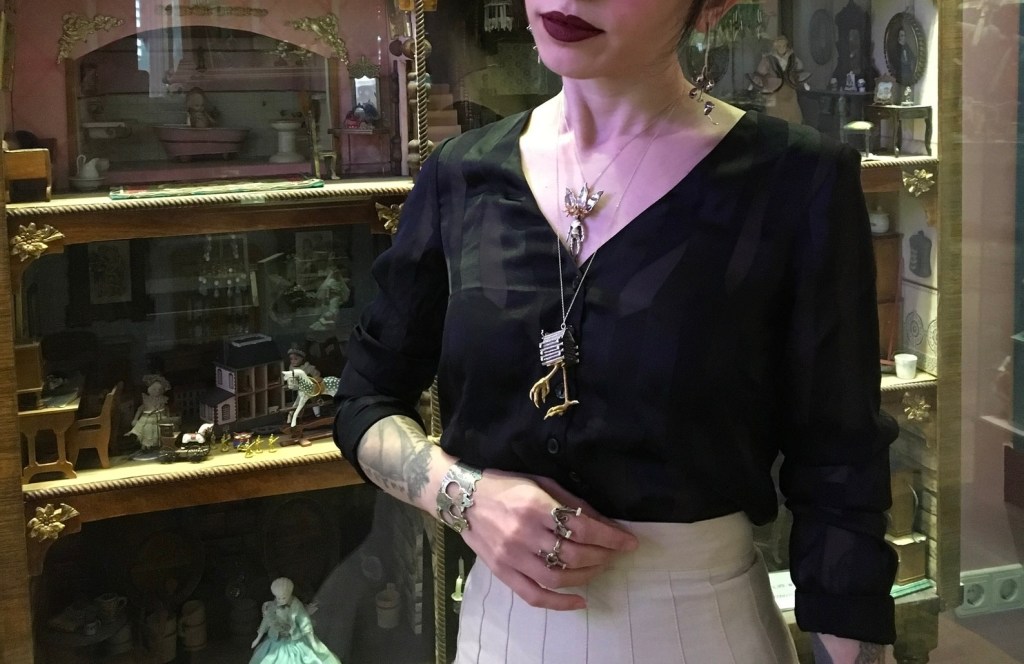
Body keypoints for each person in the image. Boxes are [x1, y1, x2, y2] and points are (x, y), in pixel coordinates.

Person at [333, 1, 898, 662]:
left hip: (701, 632)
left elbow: (839, 471)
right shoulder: (460, 176)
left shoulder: (793, 181)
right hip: (500, 633)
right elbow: (365, 398)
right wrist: (463, 497)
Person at [250, 577, 341, 664]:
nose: (280, 600)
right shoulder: (273, 605)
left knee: (303, 657)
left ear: (289, 594)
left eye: (284, 598)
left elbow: (304, 622)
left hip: (294, 639)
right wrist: (258, 638)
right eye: (278, 598)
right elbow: (266, 621)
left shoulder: (296, 606)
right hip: (276, 639)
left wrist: (312, 641)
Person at [747, 35, 811, 124]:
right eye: (779, 46)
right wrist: (752, 84)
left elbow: (799, 71)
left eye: (783, 46)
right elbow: (760, 72)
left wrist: (805, 84)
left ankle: (792, 127)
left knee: (792, 111)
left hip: (789, 88)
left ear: (786, 46)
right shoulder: (769, 59)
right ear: (775, 46)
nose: (781, 48)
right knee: (774, 113)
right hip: (774, 88)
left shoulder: (792, 58)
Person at [126, 374, 171, 459]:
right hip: (147, 419)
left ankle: (158, 446)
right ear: (150, 389)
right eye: (154, 389)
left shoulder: (163, 399)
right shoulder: (146, 399)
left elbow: (166, 409)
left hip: (159, 418)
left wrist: (168, 417)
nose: (157, 391)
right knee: (147, 432)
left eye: (159, 390)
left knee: (159, 432)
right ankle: (145, 448)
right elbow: (140, 409)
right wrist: (135, 419)